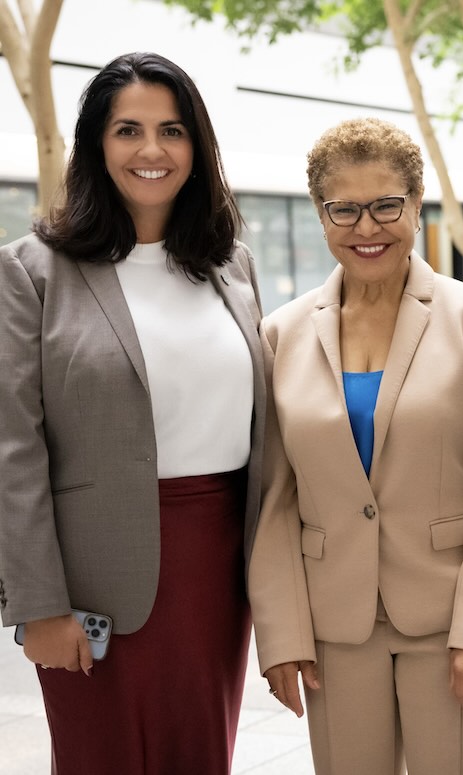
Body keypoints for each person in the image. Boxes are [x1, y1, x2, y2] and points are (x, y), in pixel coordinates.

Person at [0, 52, 265, 775]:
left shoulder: (231, 267)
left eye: (172, 130)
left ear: (196, 146)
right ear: (95, 144)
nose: (152, 150)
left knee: (201, 754)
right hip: (90, 584)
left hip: (216, 568)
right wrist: (38, 605)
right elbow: (12, 449)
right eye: (128, 130)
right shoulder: (30, 270)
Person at [247, 117, 463, 775]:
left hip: (450, 621)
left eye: (386, 205)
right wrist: (281, 636)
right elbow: (273, 499)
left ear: (417, 203)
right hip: (334, 627)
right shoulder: (279, 334)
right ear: (321, 213)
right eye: (346, 209)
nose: (367, 227)